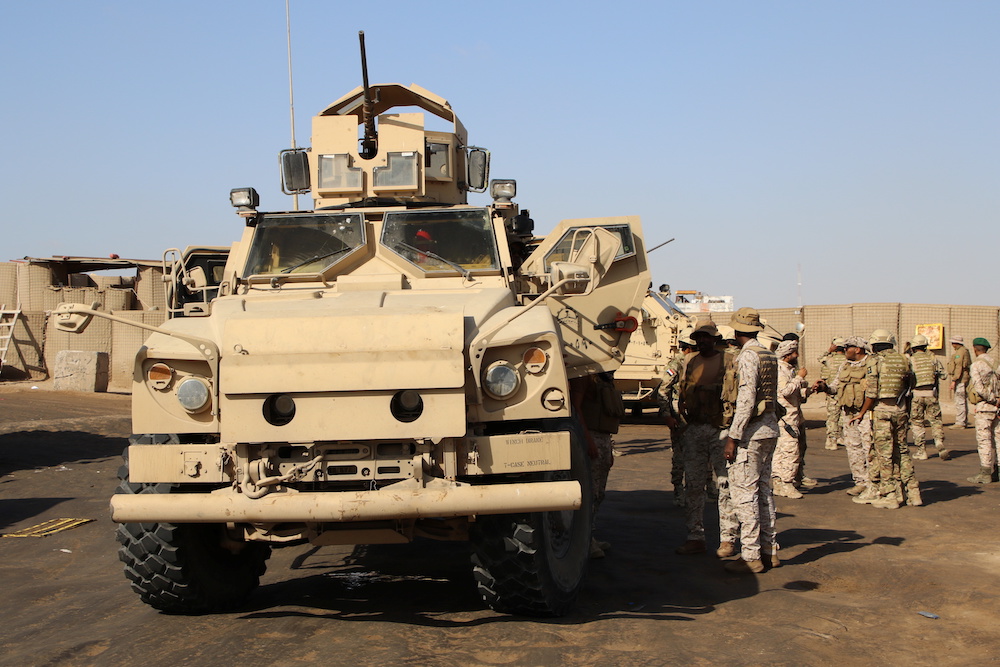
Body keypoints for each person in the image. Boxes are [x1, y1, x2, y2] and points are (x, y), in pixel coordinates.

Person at [674, 320, 738, 559]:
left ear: (715, 338)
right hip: (695, 428)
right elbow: (681, 392)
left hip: (720, 429)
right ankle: (695, 537)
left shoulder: (729, 360)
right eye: (698, 336)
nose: (702, 340)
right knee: (693, 485)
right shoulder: (690, 361)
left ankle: (728, 539)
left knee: (725, 486)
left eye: (706, 336)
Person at [722, 308, 780, 574]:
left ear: (736, 332)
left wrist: (733, 437)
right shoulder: (768, 353)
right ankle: (769, 551)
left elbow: (745, 400)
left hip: (751, 433)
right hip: (769, 428)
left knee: (745, 495)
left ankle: (751, 556)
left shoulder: (747, 357)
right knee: (765, 493)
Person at [851, 329, 919, 510]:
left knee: (884, 454)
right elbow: (911, 387)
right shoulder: (905, 359)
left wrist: (862, 412)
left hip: (882, 411)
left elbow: (872, 392)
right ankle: (913, 492)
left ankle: (889, 494)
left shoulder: (875, 361)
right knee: (902, 450)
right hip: (901, 410)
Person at [571, 372, 625, 558]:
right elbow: (576, 409)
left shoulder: (605, 377)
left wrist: (607, 447)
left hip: (603, 437)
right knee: (590, 493)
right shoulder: (584, 376)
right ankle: (585, 541)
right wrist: (587, 440)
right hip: (591, 435)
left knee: (599, 493)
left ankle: (590, 536)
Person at [814, 337, 876, 498]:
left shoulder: (871, 364)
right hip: (848, 414)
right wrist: (824, 387)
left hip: (867, 414)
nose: (845, 350)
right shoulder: (844, 365)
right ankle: (860, 482)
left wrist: (863, 413)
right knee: (853, 449)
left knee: (870, 450)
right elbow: (835, 387)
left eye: (848, 347)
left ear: (858, 349)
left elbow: (874, 391)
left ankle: (873, 484)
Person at [658, 327, 696, 507]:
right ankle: (679, 491)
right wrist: (667, 416)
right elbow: (663, 390)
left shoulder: (698, 362)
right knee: (680, 455)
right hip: (679, 415)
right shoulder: (677, 364)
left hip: (695, 414)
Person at [772, 340, 810, 499]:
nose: (797, 356)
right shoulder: (780, 370)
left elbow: (794, 394)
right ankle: (786, 483)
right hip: (785, 419)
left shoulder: (789, 370)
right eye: (794, 353)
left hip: (793, 417)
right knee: (789, 451)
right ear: (787, 355)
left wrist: (807, 390)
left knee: (783, 451)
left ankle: (780, 482)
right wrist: (799, 378)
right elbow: (785, 391)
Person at [908, 334, 951, 461]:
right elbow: (944, 375)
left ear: (914, 348)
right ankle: (938, 441)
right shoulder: (933, 359)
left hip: (916, 395)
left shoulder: (911, 360)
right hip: (931, 395)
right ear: (925, 347)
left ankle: (921, 451)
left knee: (917, 423)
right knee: (936, 421)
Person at [966, 338, 1000, 484]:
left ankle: (985, 473)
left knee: (984, 440)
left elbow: (979, 388)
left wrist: (991, 398)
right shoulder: (996, 364)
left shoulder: (976, 365)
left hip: (984, 407)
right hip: (997, 408)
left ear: (975, 349)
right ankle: (997, 471)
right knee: (998, 439)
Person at [818, 338, 847, 450]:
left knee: (832, 417)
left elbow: (820, 358)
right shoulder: (847, 360)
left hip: (832, 392)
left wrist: (829, 350)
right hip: (844, 392)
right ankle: (841, 437)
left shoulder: (829, 360)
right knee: (843, 416)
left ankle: (832, 441)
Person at [947, 335, 972, 429]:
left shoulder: (960, 352)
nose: (952, 345)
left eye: (953, 343)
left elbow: (959, 367)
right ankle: (963, 421)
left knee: (960, 401)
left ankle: (960, 422)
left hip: (960, 380)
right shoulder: (963, 351)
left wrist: (954, 380)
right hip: (962, 379)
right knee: (961, 400)